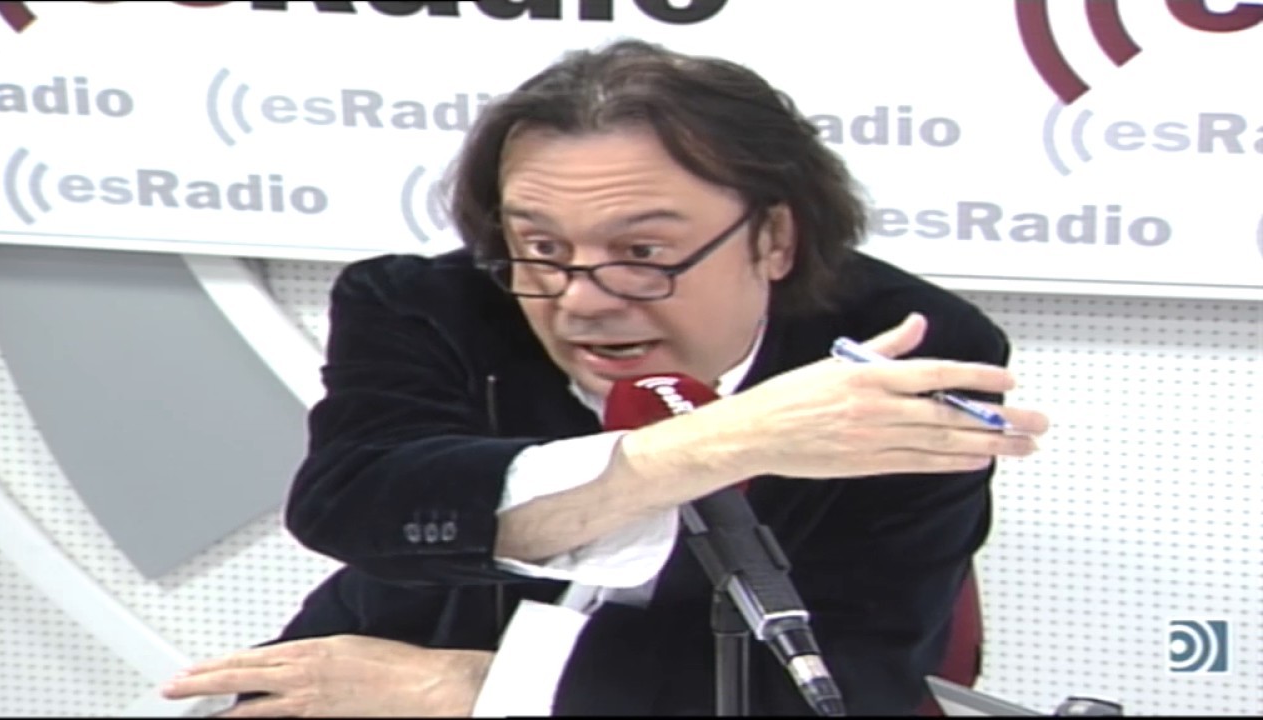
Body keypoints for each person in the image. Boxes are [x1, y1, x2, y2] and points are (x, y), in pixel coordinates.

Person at [162, 38, 1049, 716]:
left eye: (644, 255)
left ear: (774, 239)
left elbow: (847, 677)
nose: (582, 303)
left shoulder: (901, 351)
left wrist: (470, 690)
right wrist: (708, 447)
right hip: (372, 675)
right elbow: (357, 504)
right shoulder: (427, 305)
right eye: (541, 249)